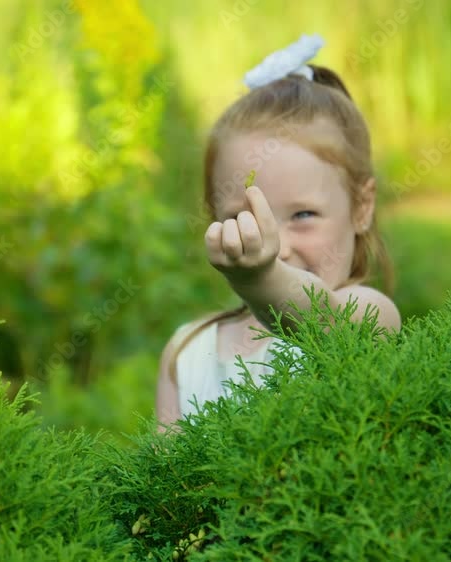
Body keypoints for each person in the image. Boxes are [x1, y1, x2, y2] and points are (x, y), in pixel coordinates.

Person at [155, 34, 401, 434]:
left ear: (361, 207)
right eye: (248, 216)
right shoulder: (187, 354)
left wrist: (261, 277)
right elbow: (163, 489)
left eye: (303, 214)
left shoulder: (369, 314)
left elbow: (322, 324)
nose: (278, 245)